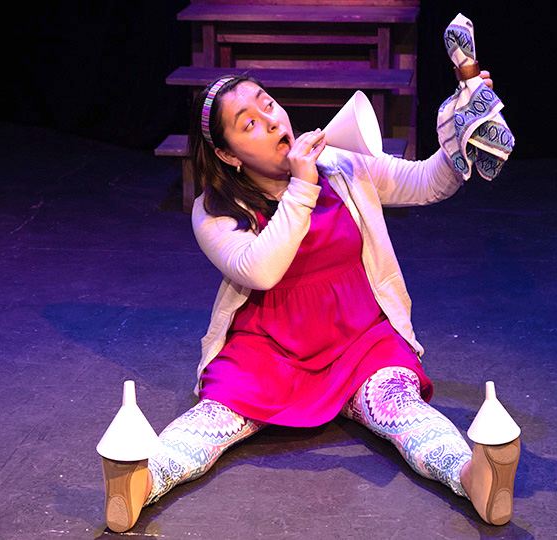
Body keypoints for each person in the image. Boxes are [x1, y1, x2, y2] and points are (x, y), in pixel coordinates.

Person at [101, 73, 520, 533]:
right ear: (227, 154)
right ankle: (141, 481)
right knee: (213, 420)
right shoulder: (215, 209)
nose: (271, 119)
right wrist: (302, 185)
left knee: (400, 407)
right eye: (249, 123)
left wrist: (458, 141)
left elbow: (424, 183)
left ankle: (472, 477)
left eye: (267, 104)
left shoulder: (339, 163)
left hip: (361, 342)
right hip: (268, 351)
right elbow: (258, 271)